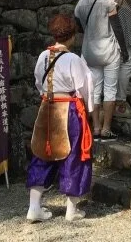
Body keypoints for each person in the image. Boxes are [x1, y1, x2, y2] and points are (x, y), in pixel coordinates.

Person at [25, 14, 94, 223]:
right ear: (72, 36)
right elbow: (84, 87)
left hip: (46, 107)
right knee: (73, 156)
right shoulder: (74, 59)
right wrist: (89, 110)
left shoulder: (42, 56)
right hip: (69, 110)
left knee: (41, 153)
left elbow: (39, 82)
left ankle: (34, 207)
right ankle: (71, 211)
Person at [73, 0, 122, 140]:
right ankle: (106, 129)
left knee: (94, 90)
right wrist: (125, 49)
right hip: (108, 49)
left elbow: (80, 27)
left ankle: (95, 127)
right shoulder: (108, 1)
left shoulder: (79, 5)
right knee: (110, 90)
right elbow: (116, 27)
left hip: (89, 51)